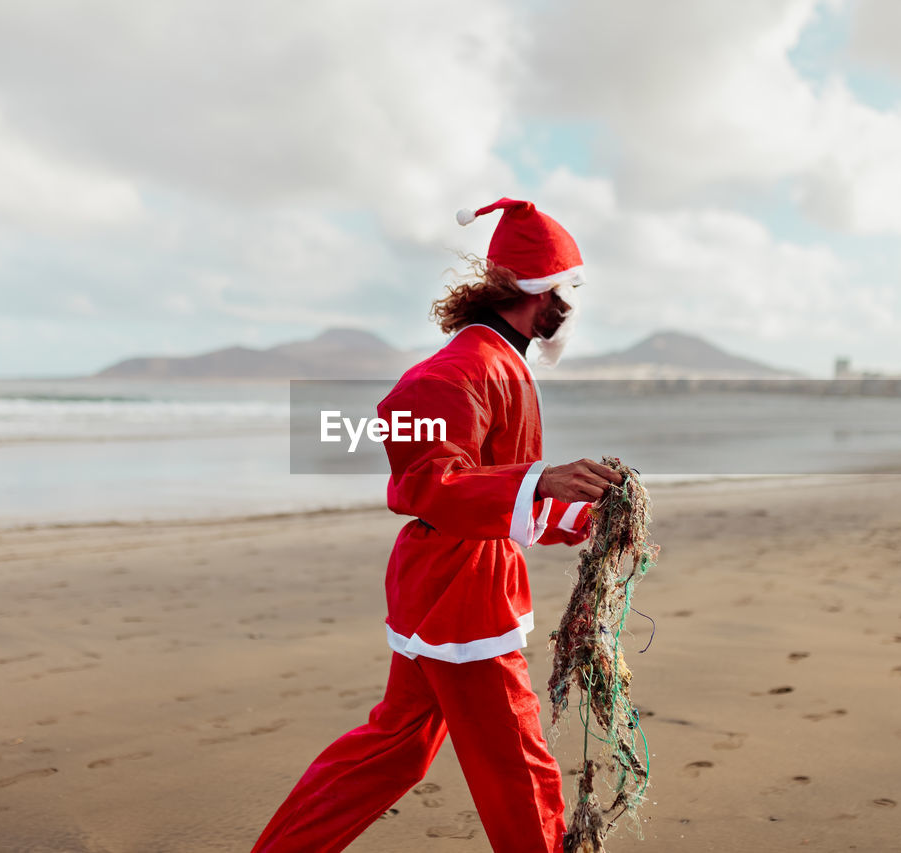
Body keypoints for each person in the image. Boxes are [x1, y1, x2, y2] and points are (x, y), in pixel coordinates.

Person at [248, 198, 622, 853]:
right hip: (463, 596)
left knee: (395, 749)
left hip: (443, 582)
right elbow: (427, 479)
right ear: (540, 294)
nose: (574, 304)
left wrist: (589, 512)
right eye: (571, 288)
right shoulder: (463, 367)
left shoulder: (499, 360)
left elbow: (495, 484)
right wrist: (540, 480)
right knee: (518, 766)